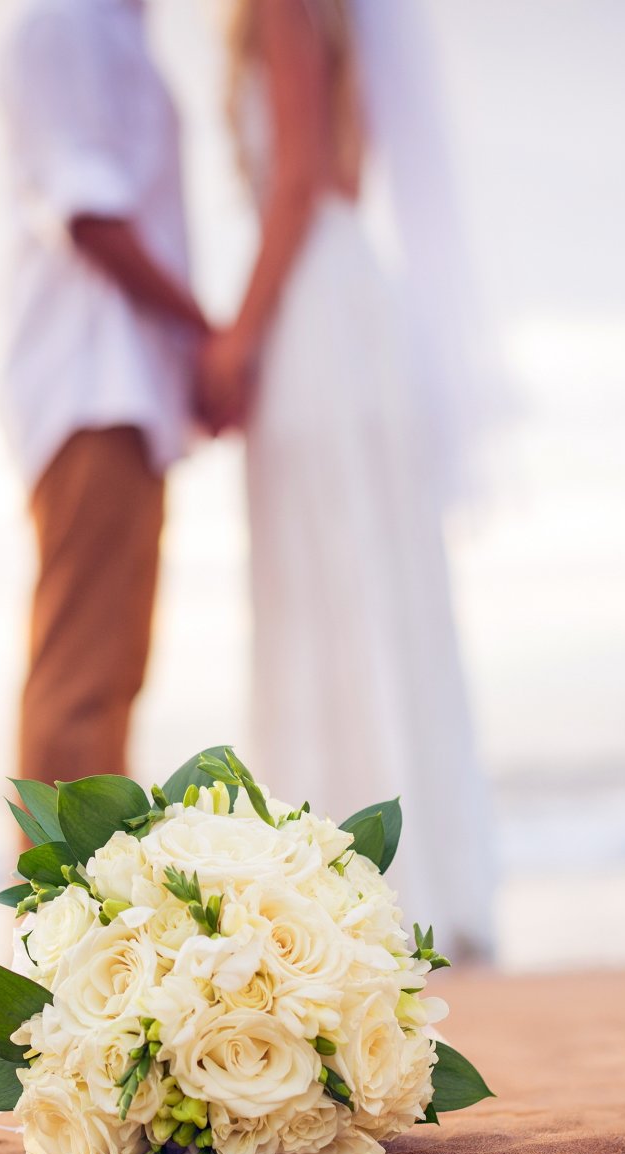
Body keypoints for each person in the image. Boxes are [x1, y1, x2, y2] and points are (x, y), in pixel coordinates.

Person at [198, 0, 504, 959]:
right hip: (351, 303)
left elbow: (299, 180)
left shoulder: (283, 8)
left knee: (322, 592)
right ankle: (414, 884)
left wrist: (236, 340)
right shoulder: (341, 23)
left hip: (314, 318)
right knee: (370, 591)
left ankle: (341, 900)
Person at [0, 0, 209, 790]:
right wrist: (205, 338)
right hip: (92, 382)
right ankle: (55, 877)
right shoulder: (68, 22)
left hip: (125, 387)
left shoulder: (113, 28)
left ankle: (85, 873)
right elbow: (86, 210)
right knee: (83, 681)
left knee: (111, 675)